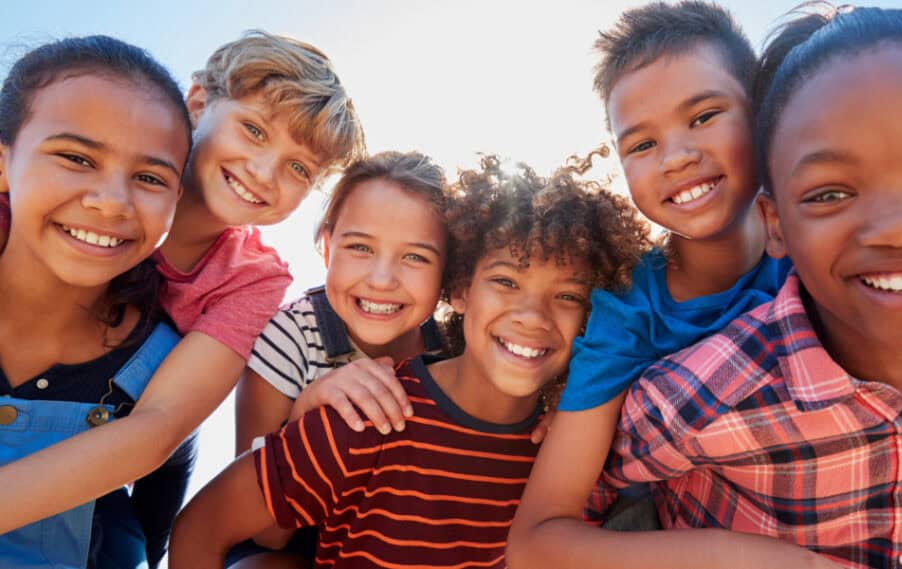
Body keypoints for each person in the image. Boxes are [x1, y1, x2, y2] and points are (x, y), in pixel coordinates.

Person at [508, 3, 902, 568]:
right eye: (641, 144)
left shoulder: (838, 249)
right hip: (701, 520)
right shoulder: (633, 321)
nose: (678, 156)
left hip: (882, 486)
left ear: (765, 123)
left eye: (704, 116)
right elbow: (546, 528)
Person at [168, 152, 649, 568]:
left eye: (568, 296)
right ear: (459, 289)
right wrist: (305, 414)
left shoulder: (570, 448)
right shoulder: (364, 415)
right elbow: (205, 532)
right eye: (505, 281)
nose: (532, 317)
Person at [0, 30, 366, 567]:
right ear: (199, 104)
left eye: (298, 169)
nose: (263, 173)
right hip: (56, 391)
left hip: (140, 422)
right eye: (253, 130)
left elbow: (161, 426)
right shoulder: (72, 206)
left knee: (146, 519)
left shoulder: (252, 275)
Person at [0, 36, 191, 567]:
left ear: (177, 199)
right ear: (3, 162)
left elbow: (170, 463)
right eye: (77, 157)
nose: (111, 203)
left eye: (150, 178)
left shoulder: (161, 359)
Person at [228, 150, 451, 568]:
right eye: (361, 247)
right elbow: (263, 531)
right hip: (292, 541)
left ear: (449, 271)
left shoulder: (456, 351)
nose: (382, 279)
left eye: (415, 257)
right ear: (328, 249)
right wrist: (306, 417)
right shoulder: (292, 337)